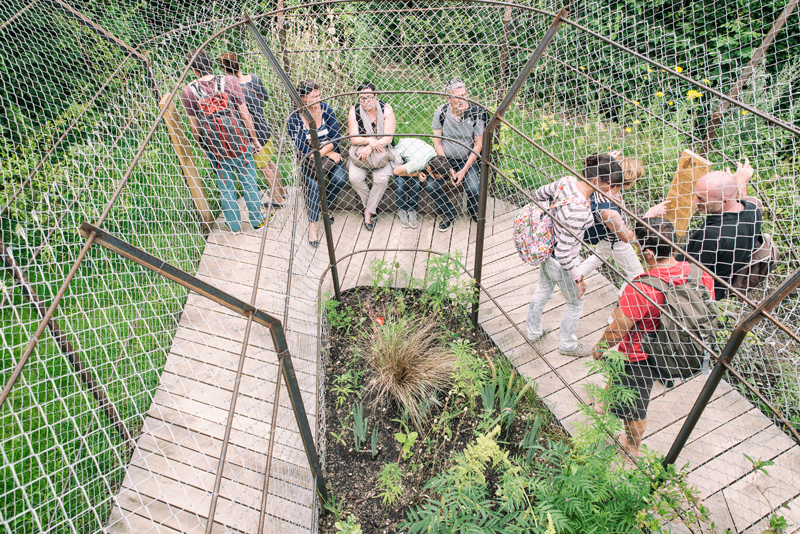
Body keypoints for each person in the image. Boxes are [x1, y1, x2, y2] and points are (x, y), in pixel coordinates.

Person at [591, 218, 715, 456]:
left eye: (638, 245)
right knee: (623, 380)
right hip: (677, 346)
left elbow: (618, 329)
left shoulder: (640, 288)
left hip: (640, 355)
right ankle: (607, 396)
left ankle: (631, 447)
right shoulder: (697, 273)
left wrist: (599, 347)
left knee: (633, 409)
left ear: (648, 253)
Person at [526, 154, 623, 358]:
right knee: (576, 301)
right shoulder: (579, 210)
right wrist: (578, 279)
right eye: (611, 184)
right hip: (563, 262)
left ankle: (533, 331)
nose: (612, 189)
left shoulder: (566, 182)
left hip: (546, 250)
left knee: (543, 290)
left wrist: (550, 223)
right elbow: (564, 252)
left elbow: (539, 193)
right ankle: (567, 345)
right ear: (597, 181)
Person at [181, 49, 265, 232]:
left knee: (226, 186)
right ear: (210, 63)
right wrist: (254, 139)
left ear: (194, 70)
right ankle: (257, 221)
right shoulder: (230, 81)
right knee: (249, 181)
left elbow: (194, 126)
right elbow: (244, 114)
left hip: (216, 149)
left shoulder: (188, 92)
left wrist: (203, 146)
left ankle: (233, 225)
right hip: (240, 144)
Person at [580, 151, 669, 293]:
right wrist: (648, 216)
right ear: (628, 182)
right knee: (636, 274)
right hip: (616, 242)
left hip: (604, 237)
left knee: (599, 257)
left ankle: (573, 276)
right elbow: (627, 237)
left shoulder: (600, 186)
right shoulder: (609, 209)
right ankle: (621, 309)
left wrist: (608, 160)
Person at [676, 158, 760, 300]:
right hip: (718, 289)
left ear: (724, 201)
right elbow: (747, 201)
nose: (694, 201)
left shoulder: (711, 235)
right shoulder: (752, 211)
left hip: (694, 297)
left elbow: (692, 277)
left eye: (701, 199)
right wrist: (739, 185)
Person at [218, 52, 286, 209]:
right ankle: (281, 191)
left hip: (252, 132)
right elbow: (265, 98)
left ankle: (278, 200)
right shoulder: (254, 78)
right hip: (264, 126)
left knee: (264, 167)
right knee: (270, 162)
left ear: (223, 69)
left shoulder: (231, 89)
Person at [287, 80, 348, 248]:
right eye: (314, 97)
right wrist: (324, 151)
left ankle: (324, 204)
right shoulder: (294, 117)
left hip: (329, 156)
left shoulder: (326, 110)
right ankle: (313, 226)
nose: (318, 99)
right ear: (303, 98)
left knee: (340, 179)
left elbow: (336, 137)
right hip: (308, 160)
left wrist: (325, 151)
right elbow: (301, 146)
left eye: (319, 95)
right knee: (313, 186)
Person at [429, 78, 485, 231]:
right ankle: (449, 212)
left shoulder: (476, 112)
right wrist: (446, 166)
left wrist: (465, 169)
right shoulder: (441, 112)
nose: (463, 99)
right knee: (431, 185)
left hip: (467, 159)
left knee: (473, 189)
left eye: (464, 94)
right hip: (446, 159)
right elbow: (437, 142)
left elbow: (478, 144)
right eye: (458, 96)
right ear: (448, 98)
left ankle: (473, 211)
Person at [347, 82, 397, 231]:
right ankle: (372, 206)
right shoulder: (354, 111)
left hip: (382, 150)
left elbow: (388, 137)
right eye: (362, 98)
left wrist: (371, 146)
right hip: (360, 150)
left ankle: (368, 212)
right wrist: (368, 141)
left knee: (381, 179)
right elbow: (354, 138)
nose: (366, 101)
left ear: (375, 96)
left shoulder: (386, 109)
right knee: (354, 178)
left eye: (369, 97)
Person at [392, 137, 452, 228]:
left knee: (417, 182)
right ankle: (401, 209)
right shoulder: (419, 163)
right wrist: (417, 174)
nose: (438, 179)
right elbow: (396, 172)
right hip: (400, 154)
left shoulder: (435, 157)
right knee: (401, 182)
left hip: (415, 150)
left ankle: (412, 209)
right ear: (429, 169)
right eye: (437, 177)